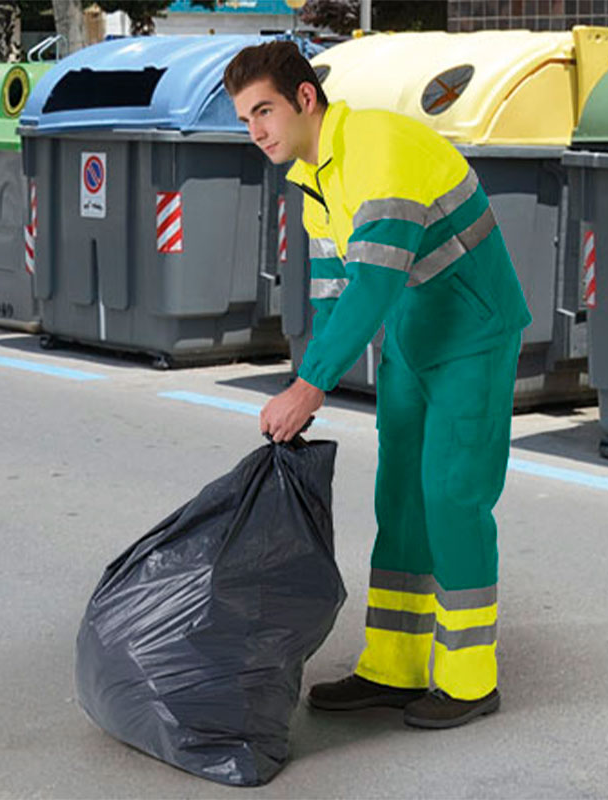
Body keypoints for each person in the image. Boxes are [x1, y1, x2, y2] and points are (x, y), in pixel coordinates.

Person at [225, 40, 531, 730]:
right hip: (416, 334)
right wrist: (313, 380)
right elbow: (336, 296)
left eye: (265, 111)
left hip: (472, 335)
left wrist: (309, 386)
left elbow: (375, 282)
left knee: (452, 497)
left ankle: (468, 679)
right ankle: (393, 667)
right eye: (246, 119)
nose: (257, 132)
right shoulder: (314, 179)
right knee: (401, 498)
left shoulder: (375, 147)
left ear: (306, 98)